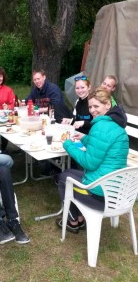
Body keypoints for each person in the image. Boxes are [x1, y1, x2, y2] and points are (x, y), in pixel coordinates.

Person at [55, 87, 129, 233]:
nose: (92, 110)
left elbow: (89, 163)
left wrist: (68, 145)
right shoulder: (116, 124)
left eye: (96, 106)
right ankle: (81, 218)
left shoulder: (100, 126)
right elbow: (102, 146)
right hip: (117, 192)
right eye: (90, 107)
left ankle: (73, 221)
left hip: (100, 196)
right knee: (71, 173)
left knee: (63, 178)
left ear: (108, 105)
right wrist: (85, 139)